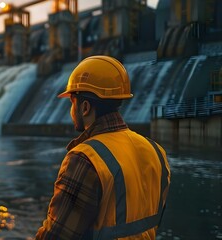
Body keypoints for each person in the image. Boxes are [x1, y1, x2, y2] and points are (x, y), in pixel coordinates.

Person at [35, 55, 171, 239]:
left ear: (84, 107)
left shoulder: (85, 159)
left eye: (71, 102)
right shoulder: (156, 151)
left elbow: (57, 235)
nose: (70, 111)